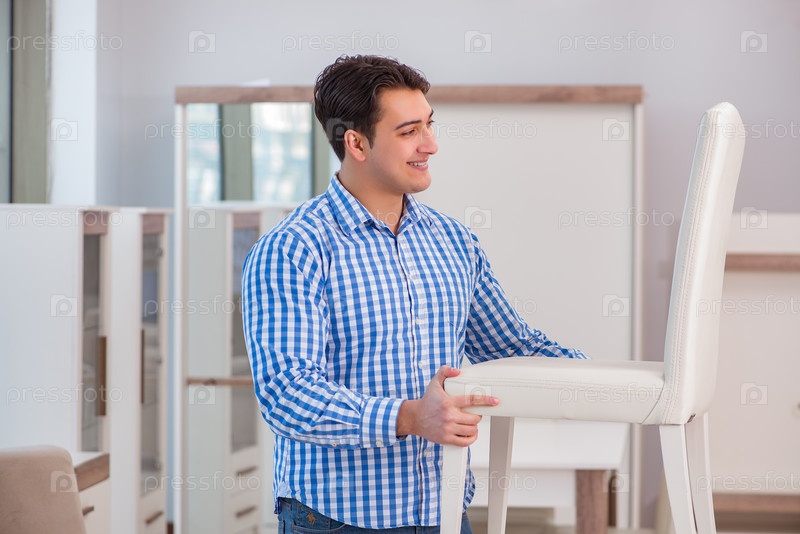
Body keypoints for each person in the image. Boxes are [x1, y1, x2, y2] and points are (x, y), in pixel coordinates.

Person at [241, 54, 587, 533]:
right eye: (409, 132)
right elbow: (287, 393)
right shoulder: (293, 249)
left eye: (429, 124)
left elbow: (512, 348)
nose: (431, 144)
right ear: (356, 143)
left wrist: (616, 384)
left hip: (444, 514)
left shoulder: (453, 241)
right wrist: (408, 417)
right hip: (336, 520)